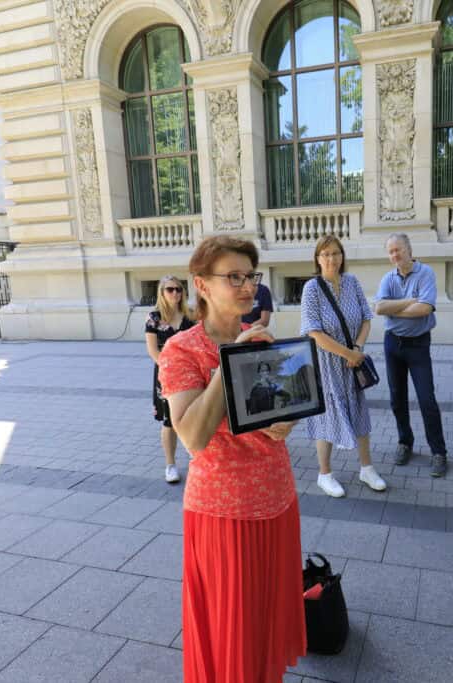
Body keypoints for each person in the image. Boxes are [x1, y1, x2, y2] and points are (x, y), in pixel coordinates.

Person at [160, 236, 305, 682]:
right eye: (234, 277)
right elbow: (193, 437)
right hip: (225, 511)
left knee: (263, 618)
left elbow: (279, 409)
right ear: (202, 285)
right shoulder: (181, 350)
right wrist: (230, 361)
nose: (247, 287)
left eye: (251, 277)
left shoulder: (261, 337)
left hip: (277, 497)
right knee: (232, 629)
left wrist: (285, 421)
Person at [300, 235, 387, 498]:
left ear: (342, 256)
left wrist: (357, 350)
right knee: (327, 413)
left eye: (336, 253)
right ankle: (324, 474)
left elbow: (366, 319)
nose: (331, 259)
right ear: (317, 258)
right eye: (325, 254)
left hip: (353, 361)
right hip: (326, 363)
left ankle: (366, 468)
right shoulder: (311, 288)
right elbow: (313, 331)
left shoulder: (352, 282)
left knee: (359, 410)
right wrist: (347, 353)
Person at [375, 233, 448, 477]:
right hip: (392, 344)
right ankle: (405, 442)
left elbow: (425, 308)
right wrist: (409, 303)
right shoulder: (388, 277)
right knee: (397, 398)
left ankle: (438, 452)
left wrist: (395, 310)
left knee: (427, 398)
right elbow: (379, 308)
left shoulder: (425, 273)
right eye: (391, 251)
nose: (395, 255)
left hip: (418, 345)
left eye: (399, 250)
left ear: (409, 249)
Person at [145, 276, 195, 483]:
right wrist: (170, 371)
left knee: (192, 416)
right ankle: (170, 465)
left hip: (190, 374)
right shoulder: (154, 318)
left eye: (179, 289)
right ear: (162, 293)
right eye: (170, 290)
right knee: (169, 422)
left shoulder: (189, 316)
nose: (175, 293)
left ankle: (196, 455)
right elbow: (153, 351)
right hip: (166, 376)